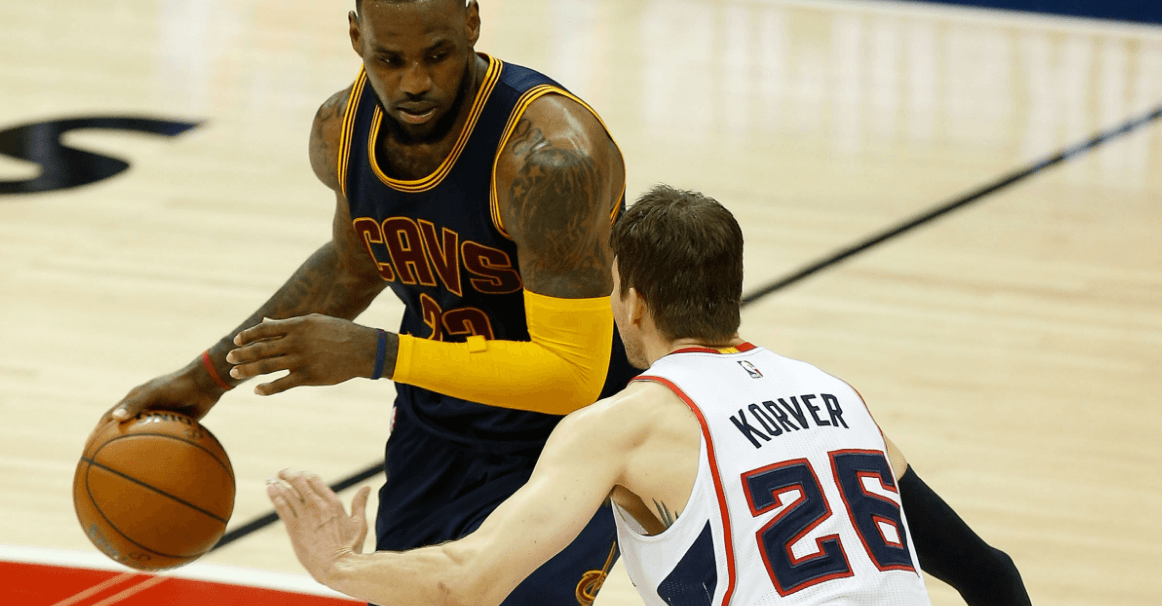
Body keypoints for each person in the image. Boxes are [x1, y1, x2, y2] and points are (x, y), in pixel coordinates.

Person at [105, 0, 638, 604]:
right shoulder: (342, 127)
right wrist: (210, 375)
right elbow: (356, 262)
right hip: (436, 426)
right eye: (389, 59)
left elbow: (572, 376)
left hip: (570, 439)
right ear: (356, 37)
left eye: (437, 54)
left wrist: (378, 353)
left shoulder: (549, 159)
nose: (414, 81)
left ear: (472, 25)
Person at [266, 185, 1032, 606]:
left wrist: (340, 567)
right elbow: (992, 576)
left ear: (629, 302)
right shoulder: (841, 399)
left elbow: (468, 581)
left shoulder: (622, 425)